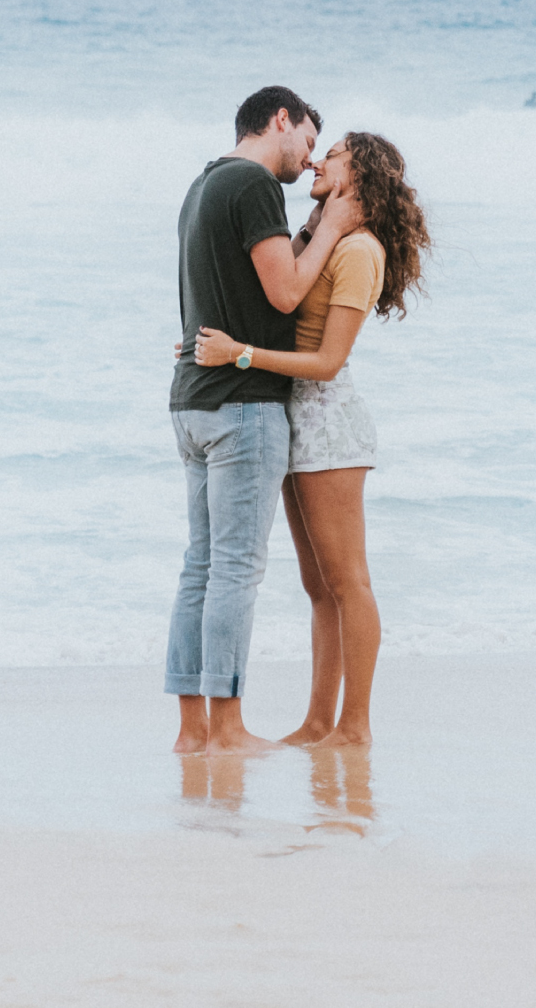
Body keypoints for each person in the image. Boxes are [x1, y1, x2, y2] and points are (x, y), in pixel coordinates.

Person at [190, 132, 429, 748]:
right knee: (318, 588)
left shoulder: (360, 252)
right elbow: (280, 296)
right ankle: (319, 722)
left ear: (359, 175)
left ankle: (356, 726)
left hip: (328, 422)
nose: (319, 161)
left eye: (337, 155)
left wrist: (240, 355)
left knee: (349, 582)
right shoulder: (329, 239)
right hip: (296, 419)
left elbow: (325, 361)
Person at [167, 87, 361, 755]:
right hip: (244, 404)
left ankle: (193, 731)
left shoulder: (204, 185)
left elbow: (223, 294)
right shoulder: (253, 185)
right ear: (282, 119)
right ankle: (227, 728)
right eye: (309, 141)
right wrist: (332, 229)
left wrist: (309, 232)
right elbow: (283, 292)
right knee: (236, 569)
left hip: (191, 400)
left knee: (200, 565)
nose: (309, 162)